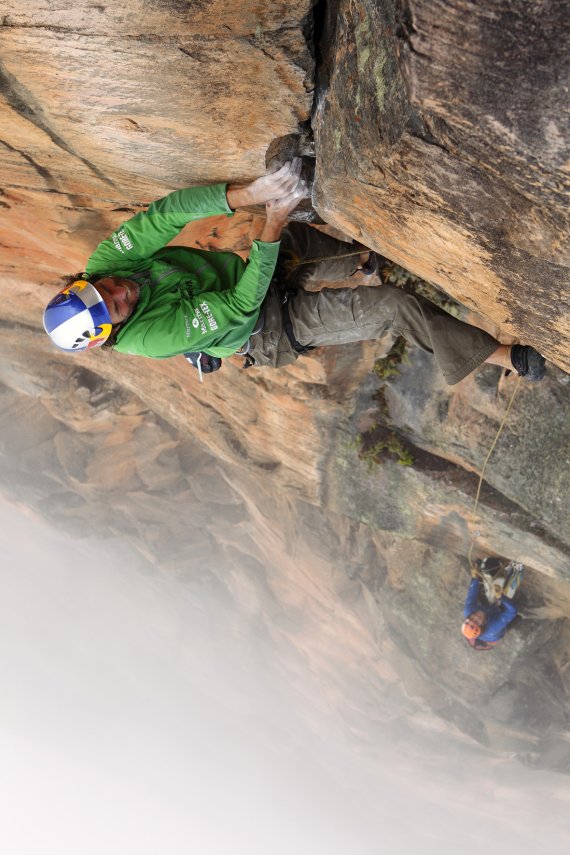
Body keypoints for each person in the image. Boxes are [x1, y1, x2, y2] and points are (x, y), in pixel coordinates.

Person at [43, 160, 546, 384]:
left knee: (293, 238)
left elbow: (165, 215)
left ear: (83, 282)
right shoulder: (147, 338)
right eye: (115, 307)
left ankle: (366, 261)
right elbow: (240, 308)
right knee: (395, 306)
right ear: (111, 331)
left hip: (249, 283)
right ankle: (504, 358)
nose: (119, 290)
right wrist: (273, 217)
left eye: (103, 287)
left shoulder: (105, 265)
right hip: (265, 332)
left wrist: (252, 196)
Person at [461, 564, 520, 650]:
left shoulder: (468, 611)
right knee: (516, 572)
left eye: (471, 618)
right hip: (496, 619)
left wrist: (475, 577)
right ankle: (514, 570)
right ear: (483, 625)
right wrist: (501, 597)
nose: (476, 617)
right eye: (477, 621)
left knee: (489, 564)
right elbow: (513, 611)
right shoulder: (493, 627)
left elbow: (471, 594)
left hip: (489, 610)